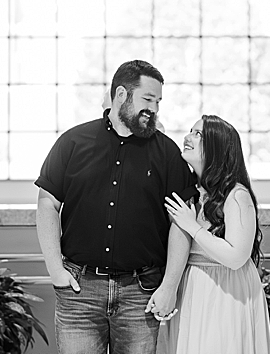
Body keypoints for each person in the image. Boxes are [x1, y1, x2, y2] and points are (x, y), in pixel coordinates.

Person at [35, 60, 197, 354]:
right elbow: (48, 202)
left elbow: (181, 222)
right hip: (79, 292)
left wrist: (170, 286)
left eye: (158, 101)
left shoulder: (167, 152)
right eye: (148, 99)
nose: (155, 109)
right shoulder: (72, 142)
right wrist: (55, 269)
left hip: (140, 293)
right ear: (121, 95)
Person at [158, 115, 270, 354]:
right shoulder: (190, 191)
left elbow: (236, 257)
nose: (187, 137)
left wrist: (194, 227)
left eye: (198, 134)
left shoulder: (236, 195)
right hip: (192, 288)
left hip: (225, 290)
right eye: (190, 131)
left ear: (218, 148)